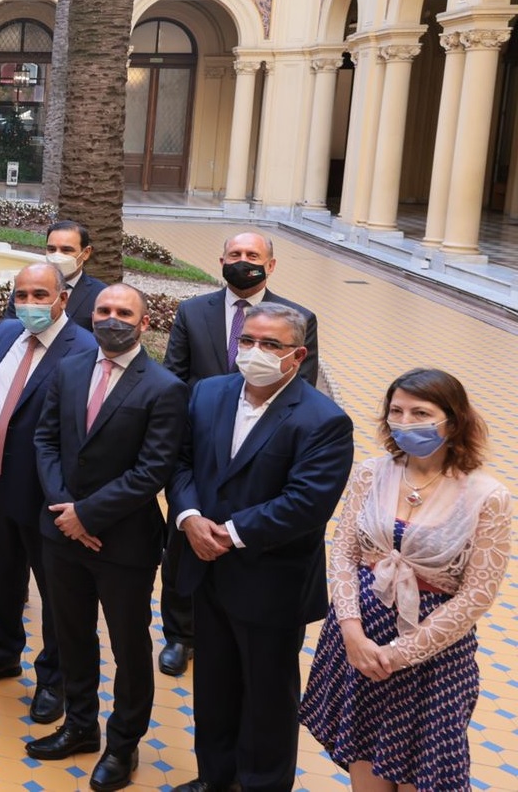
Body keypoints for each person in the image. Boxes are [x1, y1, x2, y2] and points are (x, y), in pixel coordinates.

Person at [167, 303, 353, 792]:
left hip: (269, 581)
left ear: (297, 355)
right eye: (247, 341)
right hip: (206, 569)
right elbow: (181, 462)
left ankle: (261, 785)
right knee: (213, 689)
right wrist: (188, 519)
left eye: (270, 345)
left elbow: (307, 503)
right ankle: (215, 779)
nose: (254, 352)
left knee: (267, 700)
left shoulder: (323, 420)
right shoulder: (208, 393)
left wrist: (227, 533)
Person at [299, 368, 510, 792]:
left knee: (424, 777)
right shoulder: (372, 473)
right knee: (365, 766)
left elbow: (476, 596)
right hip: (359, 642)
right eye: (396, 411)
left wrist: (398, 655)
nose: (406, 421)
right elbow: (344, 552)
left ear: (453, 420)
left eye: (421, 412)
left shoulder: (487, 496)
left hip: (432, 658)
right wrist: (353, 632)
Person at [27, 283, 188, 792]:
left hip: (125, 544)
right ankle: (80, 725)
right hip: (61, 534)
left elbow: (152, 470)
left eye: (124, 312)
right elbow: (45, 439)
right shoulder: (69, 369)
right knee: (71, 633)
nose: (111, 319)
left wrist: (89, 517)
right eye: (103, 310)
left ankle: (123, 745)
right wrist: (65, 512)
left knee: (128, 647)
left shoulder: (163, 387)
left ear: (144, 323)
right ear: (89, 315)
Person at [159, 231, 321, 677]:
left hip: (260, 456)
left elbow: (299, 391)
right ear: (221, 259)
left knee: (236, 547)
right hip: (201, 447)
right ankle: (179, 635)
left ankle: (229, 624)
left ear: (270, 265)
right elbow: (175, 379)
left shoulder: (298, 317)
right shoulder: (193, 311)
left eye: (253, 255)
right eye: (235, 254)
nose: (243, 261)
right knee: (183, 548)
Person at [0, 262, 97, 725]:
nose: (30, 303)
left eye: (41, 295)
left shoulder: (83, 348)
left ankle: (53, 679)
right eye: (21, 294)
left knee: (56, 593)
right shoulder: (3, 334)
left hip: (48, 494)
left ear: (62, 298)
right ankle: (2, 652)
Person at [6, 219, 106, 331]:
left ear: (86, 253)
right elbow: (10, 328)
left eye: (66, 250)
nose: (57, 256)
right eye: (51, 249)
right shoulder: (25, 287)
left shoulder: (100, 295)